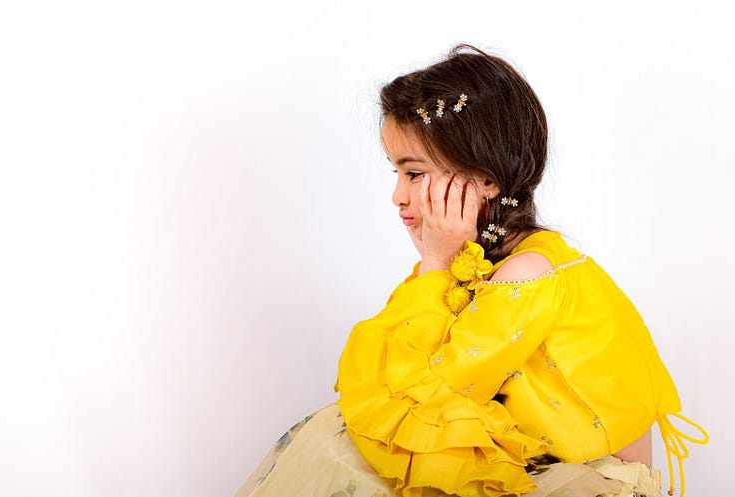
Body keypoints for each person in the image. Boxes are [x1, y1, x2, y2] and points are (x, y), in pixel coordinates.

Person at [236, 45, 707, 497]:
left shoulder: (527, 271)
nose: (398, 196)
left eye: (414, 173)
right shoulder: (482, 261)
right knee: (334, 439)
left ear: (485, 180)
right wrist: (438, 263)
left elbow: (428, 398)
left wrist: (435, 263)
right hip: (550, 462)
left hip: (598, 483)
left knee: (338, 452)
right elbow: (395, 373)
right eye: (395, 173)